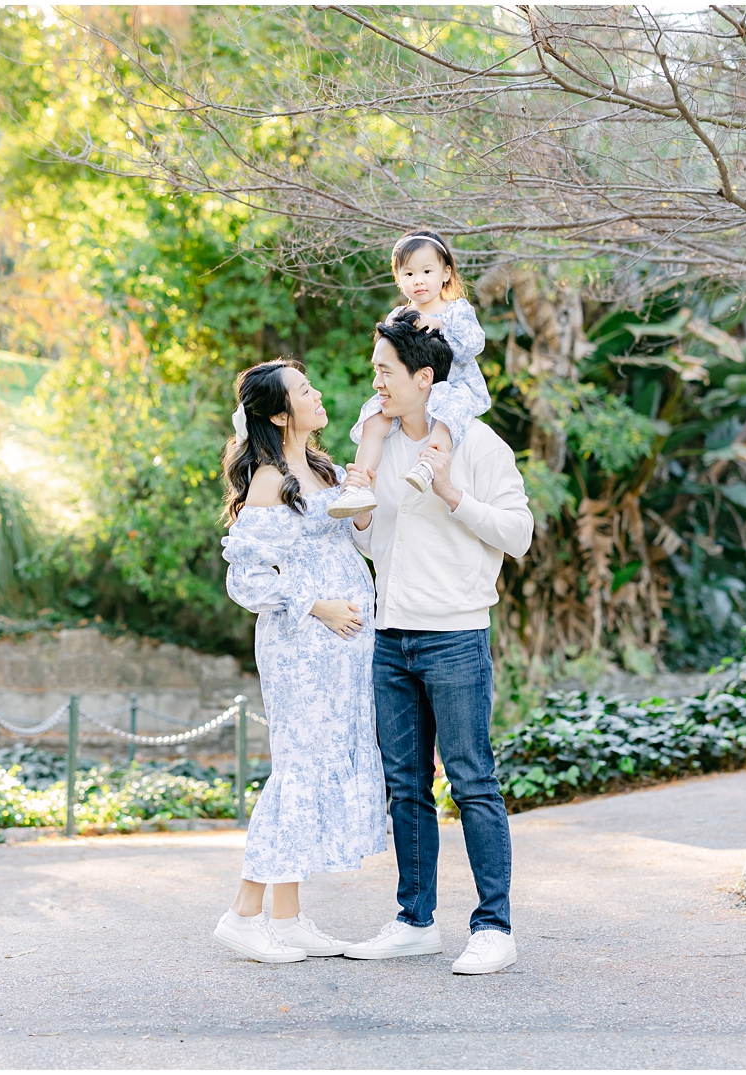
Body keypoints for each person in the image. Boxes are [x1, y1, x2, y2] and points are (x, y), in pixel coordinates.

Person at [337, 311, 534, 975]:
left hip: (454, 636)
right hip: (391, 637)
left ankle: (494, 927)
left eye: (385, 372)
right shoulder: (379, 444)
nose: (376, 383)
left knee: (472, 781)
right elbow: (377, 542)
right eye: (374, 371)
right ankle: (414, 920)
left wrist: (450, 491)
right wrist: (360, 514)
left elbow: (518, 534)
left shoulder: (479, 445)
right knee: (406, 786)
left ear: (424, 377)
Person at [212, 359, 388, 964]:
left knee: (314, 768)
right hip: (302, 648)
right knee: (297, 771)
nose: (317, 396)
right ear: (281, 415)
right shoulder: (269, 481)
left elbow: (358, 535)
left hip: (344, 650)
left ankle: (286, 919)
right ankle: (242, 914)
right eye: (304, 391)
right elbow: (246, 579)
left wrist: (362, 494)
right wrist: (317, 605)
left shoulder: (323, 469)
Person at [328, 230, 489, 518]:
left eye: (427, 271)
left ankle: (429, 463)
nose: (418, 280)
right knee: (373, 419)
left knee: (446, 415)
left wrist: (440, 325)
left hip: (454, 387)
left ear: (446, 273)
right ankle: (359, 484)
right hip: (409, 392)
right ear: (398, 278)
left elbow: (473, 344)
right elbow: (387, 356)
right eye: (409, 273)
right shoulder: (398, 315)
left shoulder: (456, 311)